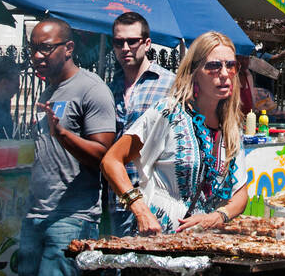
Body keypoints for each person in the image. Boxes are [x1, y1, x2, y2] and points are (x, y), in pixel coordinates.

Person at [20, 19, 115, 276]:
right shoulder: (49, 89)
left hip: (71, 217)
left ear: (69, 48)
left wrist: (62, 134)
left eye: (45, 48)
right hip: (35, 214)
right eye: (33, 48)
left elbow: (104, 155)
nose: (37, 55)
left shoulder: (92, 89)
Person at [101, 32, 249, 233]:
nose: (224, 73)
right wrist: (140, 210)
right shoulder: (168, 113)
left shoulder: (231, 126)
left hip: (204, 243)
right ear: (195, 71)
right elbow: (111, 161)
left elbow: (240, 194)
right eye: (214, 66)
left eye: (230, 65)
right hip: (159, 237)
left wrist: (218, 216)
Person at [106, 12, 174, 234]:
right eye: (118, 42)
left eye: (132, 41)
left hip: (153, 199)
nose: (125, 47)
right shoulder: (108, 87)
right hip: (116, 197)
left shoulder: (169, 85)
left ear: (146, 44)